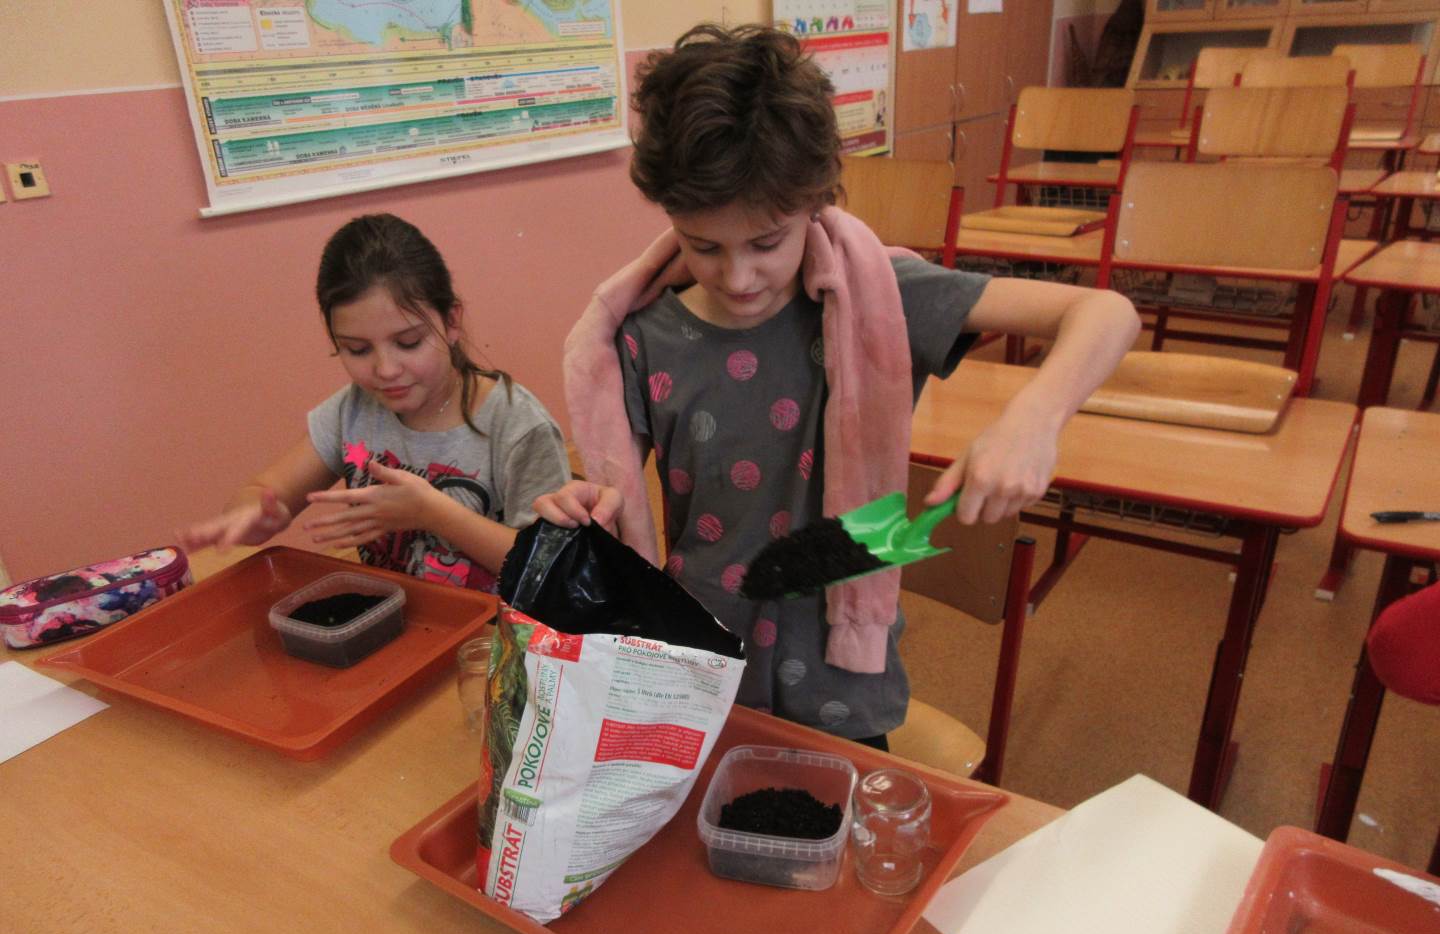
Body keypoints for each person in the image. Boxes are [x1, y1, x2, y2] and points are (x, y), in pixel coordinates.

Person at [540, 24, 1140, 749]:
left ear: (815, 201)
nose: (739, 277)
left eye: (767, 242)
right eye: (705, 247)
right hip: (701, 661)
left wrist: (1033, 419)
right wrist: (583, 506)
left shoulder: (878, 295)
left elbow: (1106, 313)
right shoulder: (644, 334)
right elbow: (615, 500)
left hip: (836, 675)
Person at [179, 213, 570, 591]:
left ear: (452, 322)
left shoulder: (516, 424)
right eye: (358, 349)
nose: (385, 370)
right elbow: (266, 490)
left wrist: (434, 514)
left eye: (408, 342)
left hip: (500, 629)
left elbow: (550, 571)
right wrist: (254, 514)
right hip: (398, 618)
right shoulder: (354, 410)